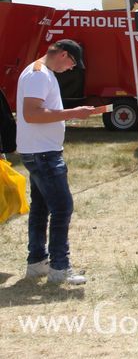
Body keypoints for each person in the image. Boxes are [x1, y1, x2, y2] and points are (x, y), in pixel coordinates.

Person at [17, 40, 97, 285]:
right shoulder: (39, 75)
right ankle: (60, 267)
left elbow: (36, 112)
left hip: (39, 151)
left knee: (41, 208)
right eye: (72, 62)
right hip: (43, 154)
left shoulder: (39, 72)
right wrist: (74, 113)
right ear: (63, 54)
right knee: (62, 208)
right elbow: (32, 114)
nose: (72, 68)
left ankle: (37, 261)